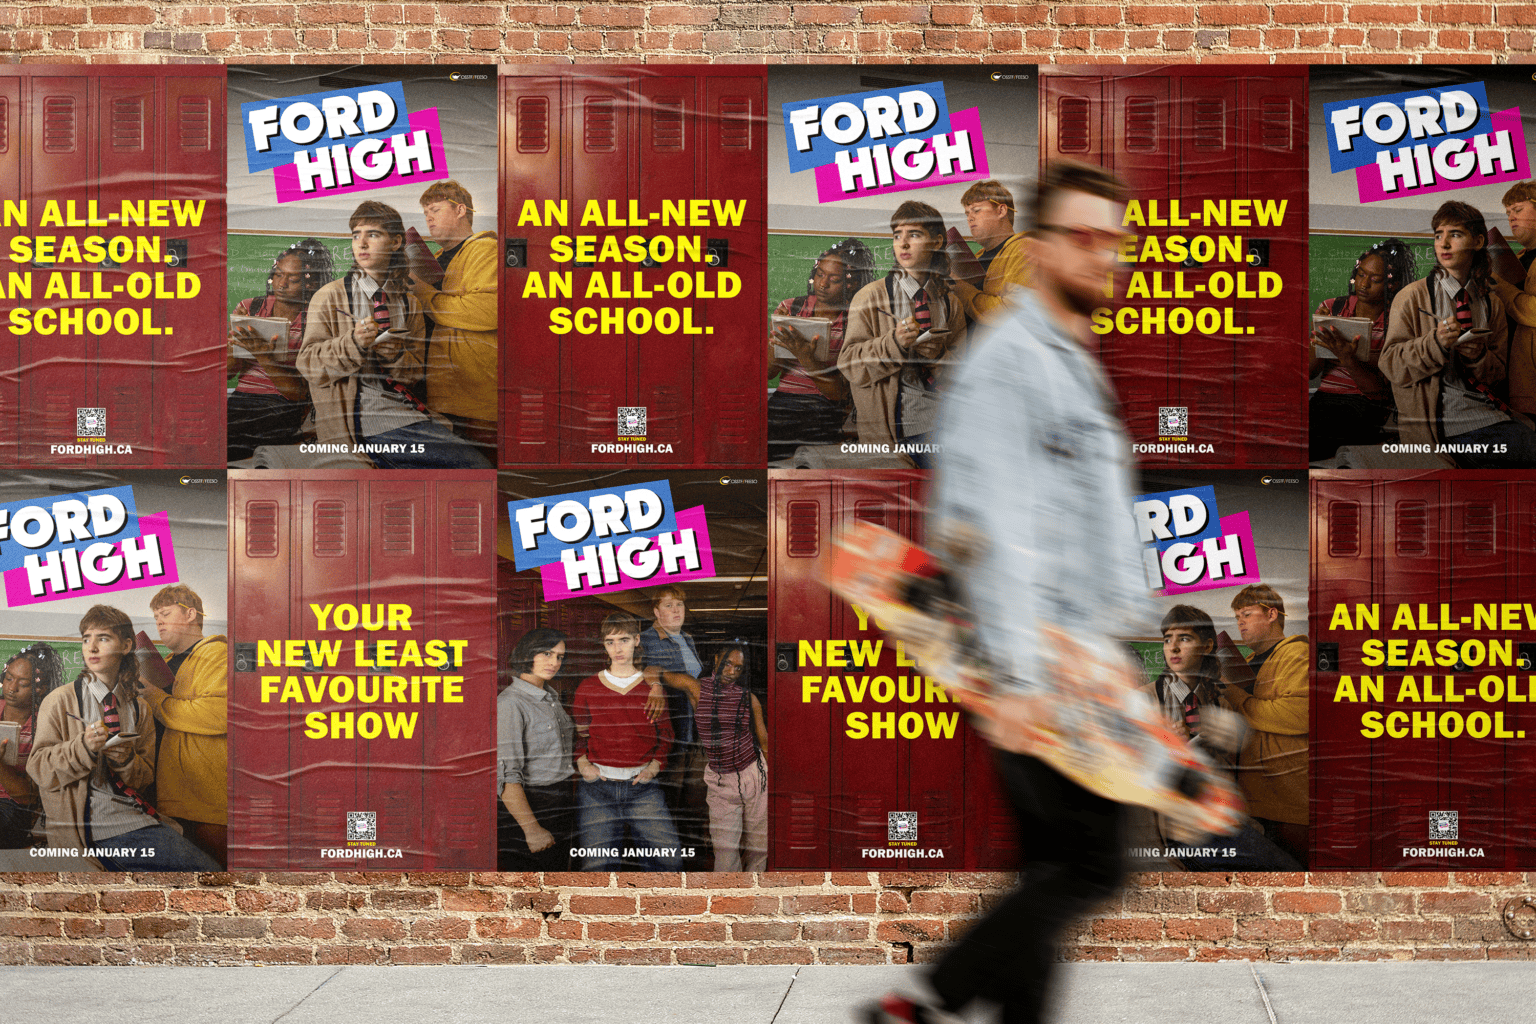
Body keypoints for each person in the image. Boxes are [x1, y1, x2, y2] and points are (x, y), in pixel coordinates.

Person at [867, 161, 1145, 1024]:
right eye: (1083, 236)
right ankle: (924, 1002)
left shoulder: (1068, 358)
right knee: (1096, 864)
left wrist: (1117, 652)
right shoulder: (1011, 363)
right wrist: (1024, 681)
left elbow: (1085, 521)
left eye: (1116, 241)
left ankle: (959, 1009)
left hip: (1077, 659)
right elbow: (988, 527)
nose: (1103, 256)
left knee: (1050, 869)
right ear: (1042, 246)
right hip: (1037, 665)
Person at [297, 199, 491, 469]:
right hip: (364, 421)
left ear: (397, 242)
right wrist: (353, 342)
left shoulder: (409, 302)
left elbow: (414, 373)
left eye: (373, 234)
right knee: (475, 470)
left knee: (468, 470)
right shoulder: (330, 297)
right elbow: (308, 365)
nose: (361, 244)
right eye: (356, 235)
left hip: (408, 412)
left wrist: (397, 354)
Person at [27, 606, 219, 871]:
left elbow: (144, 777)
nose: (91, 648)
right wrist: (83, 746)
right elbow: (39, 768)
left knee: (204, 869)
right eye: (86, 639)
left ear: (127, 645)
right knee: (206, 872)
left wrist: (127, 759)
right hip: (93, 828)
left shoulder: (139, 708)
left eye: (102, 638)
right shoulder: (61, 701)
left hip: (138, 817)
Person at [1142, 606, 1299, 872]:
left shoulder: (1221, 702)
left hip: (1223, 819)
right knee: (1287, 872)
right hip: (1179, 829)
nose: (1173, 648)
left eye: (1184, 638)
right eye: (1167, 639)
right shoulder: (1144, 701)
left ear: (1206, 646)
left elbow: (1229, 772)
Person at [1378, 200, 1534, 468]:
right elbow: (1391, 364)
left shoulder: (1491, 302)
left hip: (1488, 413)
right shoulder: (1412, 297)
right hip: (1440, 425)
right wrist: (1435, 343)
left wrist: (1478, 356)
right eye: (1438, 235)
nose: (1444, 243)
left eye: (1455, 234)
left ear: (1478, 241)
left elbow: (1498, 373)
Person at [839, 201, 969, 467]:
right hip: (894, 430)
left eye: (914, 234)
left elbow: (963, 370)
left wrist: (940, 356)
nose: (903, 244)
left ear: (936, 242)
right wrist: (894, 343)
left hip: (944, 419)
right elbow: (850, 365)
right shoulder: (870, 297)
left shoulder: (949, 301)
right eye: (897, 235)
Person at [572, 613, 681, 872]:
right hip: (598, 789)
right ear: (604, 645)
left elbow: (666, 734)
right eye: (610, 642)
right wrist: (582, 763)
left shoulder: (651, 688)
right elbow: (578, 735)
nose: (617, 648)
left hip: (642, 788)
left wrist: (654, 766)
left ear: (636, 640)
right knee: (596, 867)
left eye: (623, 640)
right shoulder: (587, 687)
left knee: (670, 860)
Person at [645, 643, 768, 872]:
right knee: (724, 849)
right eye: (728, 663)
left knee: (760, 846)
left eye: (738, 668)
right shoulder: (695, 687)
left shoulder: (748, 699)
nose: (731, 671)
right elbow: (652, 669)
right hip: (720, 778)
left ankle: (754, 895)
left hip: (753, 772)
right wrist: (655, 687)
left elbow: (764, 740)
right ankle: (729, 898)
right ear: (717, 657)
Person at [1219, 584, 1309, 869]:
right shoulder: (1247, 661)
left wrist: (1236, 697)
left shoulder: (1296, 655)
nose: (1240, 622)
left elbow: (1300, 714)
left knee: (1297, 878)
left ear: (1272, 615)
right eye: (1236, 617)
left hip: (1289, 801)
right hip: (1255, 798)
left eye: (1246, 613)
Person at [409, 180, 499, 457]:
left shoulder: (485, 250)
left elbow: (487, 311)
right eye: (425, 213)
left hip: (472, 393)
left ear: (461, 210)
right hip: (439, 386)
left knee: (483, 466)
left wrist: (423, 293)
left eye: (435, 209)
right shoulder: (436, 257)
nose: (429, 218)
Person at [142, 584, 228, 867]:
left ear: (191, 614)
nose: (159, 622)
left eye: (165, 613)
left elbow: (217, 715)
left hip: (203, 799)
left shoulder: (218, 654)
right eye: (156, 617)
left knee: (219, 876)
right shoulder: (164, 662)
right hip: (165, 795)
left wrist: (155, 698)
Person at [227, 239, 336, 460]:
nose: (281, 284)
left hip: (282, 405)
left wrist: (264, 356)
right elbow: (227, 373)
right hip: (241, 398)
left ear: (312, 283)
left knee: (235, 447)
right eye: (278, 274)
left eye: (293, 279)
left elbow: (298, 394)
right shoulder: (251, 307)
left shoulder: (317, 318)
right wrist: (235, 346)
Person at [768, 238, 874, 463]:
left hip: (824, 409)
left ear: (851, 283)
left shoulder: (856, 319)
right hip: (783, 403)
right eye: (819, 274)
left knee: (812, 467)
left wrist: (807, 357)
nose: (822, 284)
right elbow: (768, 374)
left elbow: (841, 394)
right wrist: (777, 344)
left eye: (834, 279)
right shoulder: (791, 308)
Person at [1308, 239, 1414, 461]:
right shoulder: (1333, 307)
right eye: (1361, 274)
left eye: (1375, 279)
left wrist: (1348, 359)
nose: (1364, 284)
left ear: (1392, 284)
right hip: (1324, 399)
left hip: (1364, 405)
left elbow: (1379, 393)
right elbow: (1310, 372)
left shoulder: (1397, 319)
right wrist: (1318, 343)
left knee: (1317, 443)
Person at [497, 628, 575, 872]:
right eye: (546, 653)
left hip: (559, 801)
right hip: (531, 807)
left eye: (559, 656)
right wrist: (531, 829)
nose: (554, 662)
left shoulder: (549, 696)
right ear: (528, 654)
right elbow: (507, 776)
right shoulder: (511, 703)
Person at [0, 644, 61, 848]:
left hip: (12, 806)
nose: (12, 687)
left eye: (23, 683)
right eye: (9, 678)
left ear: (39, 688)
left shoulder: (43, 726)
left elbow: (27, 796)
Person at [1490, 181, 1536, 415]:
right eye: (1508, 213)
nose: (1511, 218)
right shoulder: (1518, 256)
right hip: (1511, 375)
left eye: (1518, 210)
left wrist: (1501, 288)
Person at [957, 179, 1030, 323]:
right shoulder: (977, 256)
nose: (970, 218)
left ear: (1001, 211)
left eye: (976, 210)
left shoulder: (1024, 251)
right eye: (967, 214)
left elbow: (1013, 314)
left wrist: (962, 290)